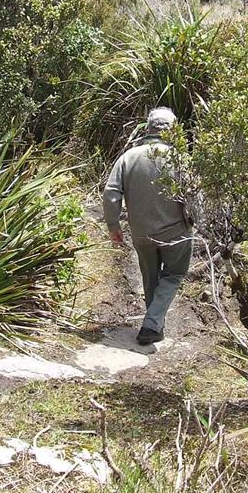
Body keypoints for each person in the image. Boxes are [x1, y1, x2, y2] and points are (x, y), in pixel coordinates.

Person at [102, 107, 192, 345]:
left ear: (148, 128)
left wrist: (113, 225)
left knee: (150, 277)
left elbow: (111, 193)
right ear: (173, 130)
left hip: (141, 232)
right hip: (176, 232)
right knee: (174, 274)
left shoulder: (129, 157)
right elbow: (195, 195)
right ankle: (151, 324)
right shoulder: (181, 158)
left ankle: (154, 325)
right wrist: (196, 222)